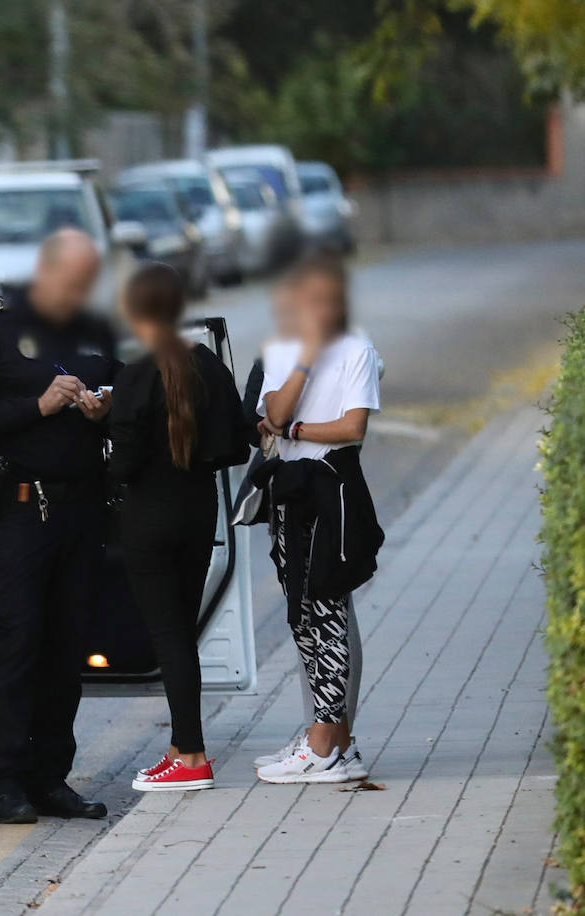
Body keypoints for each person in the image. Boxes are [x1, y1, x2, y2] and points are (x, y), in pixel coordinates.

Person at [0, 228, 118, 824]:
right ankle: (5, 784)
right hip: (17, 511)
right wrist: (36, 407)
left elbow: (124, 389)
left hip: (80, 510)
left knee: (67, 647)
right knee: (16, 646)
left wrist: (105, 408)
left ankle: (52, 778)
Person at [109, 264, 250, 793]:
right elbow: (236, 444)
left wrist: (107, 419)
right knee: (181, 635)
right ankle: (179, 748)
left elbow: (122, 467)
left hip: (149, 517)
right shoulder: (208, 366)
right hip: (197, 510)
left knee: (168, 638)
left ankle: (191, 756)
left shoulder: (136, 375)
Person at [253, 253, 384, 784]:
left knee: (327, 613)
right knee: (301, 616)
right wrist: (306, 357)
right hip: (290, 493)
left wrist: (297, 431)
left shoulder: (358, 348)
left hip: (332, 491)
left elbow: (352, 428)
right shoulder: (284, 349)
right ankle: (336, 742)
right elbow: (272, 417)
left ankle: (324, 744)